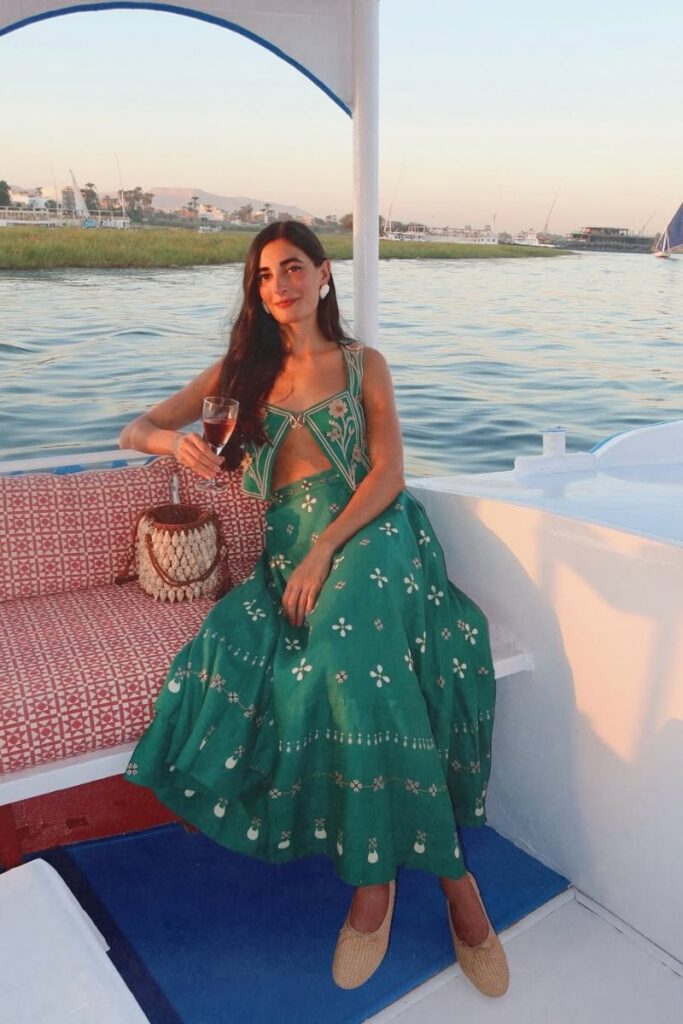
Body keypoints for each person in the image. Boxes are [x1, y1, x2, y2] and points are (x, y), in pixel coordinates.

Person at [120, 220, 509, 997]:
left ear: (324, 274)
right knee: (327, 654)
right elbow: (138, 428)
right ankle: (438, 878)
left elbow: (388, 474)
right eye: (264, 276)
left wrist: (328, 546)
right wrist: (175, 447)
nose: (280, 286)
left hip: (371, 530)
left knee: (342, 647)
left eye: (293, 268)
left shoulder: (364, 364)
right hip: (286, 548)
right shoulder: (240, 372)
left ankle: (385, 886)